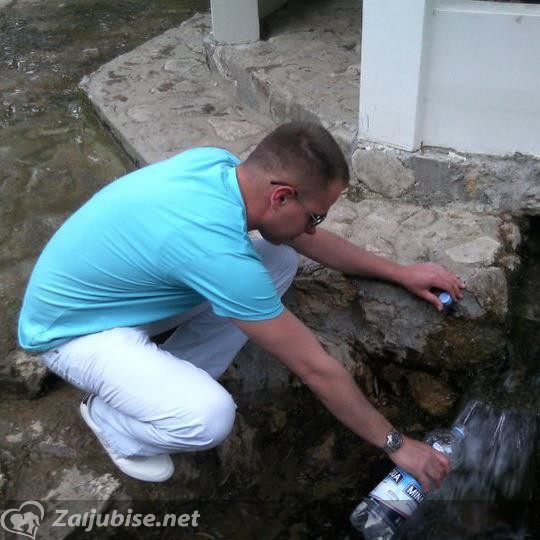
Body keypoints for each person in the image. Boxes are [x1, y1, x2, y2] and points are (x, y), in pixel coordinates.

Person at [18, 122, 464, 488]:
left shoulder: (220, 167)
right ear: (281, 196)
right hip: (71, 332)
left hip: (116, 297)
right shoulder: (214, 249)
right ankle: (113, 421)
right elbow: (314, 367)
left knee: (278, 260)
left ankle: (164, 378)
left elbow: (305, 242)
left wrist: (398, 272)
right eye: (315, 216)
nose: (313, 229)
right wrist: (396, 444)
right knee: (208, 418)